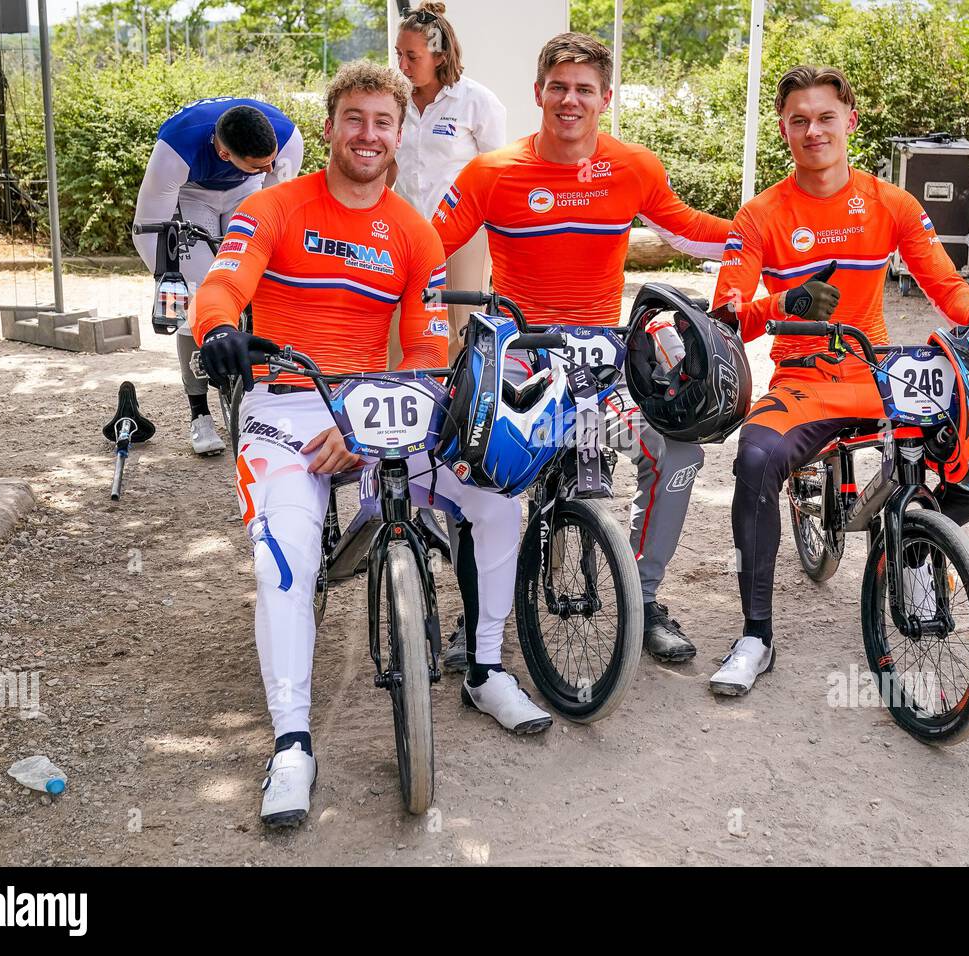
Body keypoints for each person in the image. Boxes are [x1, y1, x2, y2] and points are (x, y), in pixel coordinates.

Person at [190, 62, 552, 829]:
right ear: (329, 127)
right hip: (285, 405)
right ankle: (292, 744)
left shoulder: (411, 231)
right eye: (354, 118)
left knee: (493, 498)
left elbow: (422, 354)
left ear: (398, 133)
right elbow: (223, 283)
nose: (368, 135)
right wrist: (218, 329)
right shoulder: (274, 206)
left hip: (376, 411)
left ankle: (485, 668)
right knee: (281, 554)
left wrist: (364, 425)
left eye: (382, 122)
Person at [707, 65, 969, 696]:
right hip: (805, 380)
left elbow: (945, 284)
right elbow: (728, 315)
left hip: (880, 371)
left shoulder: (891, 203)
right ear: (784, 130)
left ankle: (918, 547)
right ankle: (755, 635)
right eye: (798, 120)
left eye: (825, 117)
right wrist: (785, 305)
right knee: (756, 459)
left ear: (850, 121)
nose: (813, 130)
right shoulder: (760, 214)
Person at [431, 31, 731, 664]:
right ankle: (477, 612)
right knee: (477, 459)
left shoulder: (633, 167)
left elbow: (692, 232)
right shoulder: (492, 171)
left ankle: (641, 596)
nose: (571, 100)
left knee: (674, 451)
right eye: (559, 88)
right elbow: (427, 249)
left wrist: (772, 241)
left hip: (605, 351)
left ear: (606, 98)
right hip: (521, 348)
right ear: (539, 93)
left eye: (584, 90)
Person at [133, 98, 304, 456]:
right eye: (263, 164)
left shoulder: (286, 140)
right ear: (226, 154)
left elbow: (279, 212)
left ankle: (263, 396)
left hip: (247, 192)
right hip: (194, 195)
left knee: (260, 279)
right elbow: (147, 229)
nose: (273, 166)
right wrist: (171, 283)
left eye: (272, 159)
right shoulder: (175, 147)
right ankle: (199, 414)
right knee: (195, 300)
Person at [392, 2, 506, 362]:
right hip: (408, 228)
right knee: (399, 318)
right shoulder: (394, 99)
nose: (403, 65)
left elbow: (496, 172)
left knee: (462, 324)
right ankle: (398, 389)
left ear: (439, 56)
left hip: (465, 231)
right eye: (399, 54)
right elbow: (390, 165)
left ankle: (464, 405)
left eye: (412, 56)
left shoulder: (477, 101)